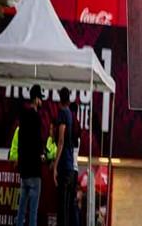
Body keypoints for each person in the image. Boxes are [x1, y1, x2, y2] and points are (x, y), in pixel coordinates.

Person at [15, 84, 44, 226]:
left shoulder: (23, 116)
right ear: (36, 99)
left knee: (21, 210)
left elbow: (20, 141)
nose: (42, 102)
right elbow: (38, 142)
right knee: (33, 212)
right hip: (34, 170)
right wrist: (42, 154)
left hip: (24, 171)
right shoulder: (37, 118)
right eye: (41, 99)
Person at [53, 87, 74, 226]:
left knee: (61, 207)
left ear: (60, 98)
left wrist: (55, 166)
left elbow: (60, 141)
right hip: (70, 164)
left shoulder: (62, 114)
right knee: (65, 207)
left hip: (63, 164)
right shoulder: (70, 114)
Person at [70, 102, 81, 226]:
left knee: (69, 203)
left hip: (69, 168)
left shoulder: (71, 125)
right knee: (73, 203)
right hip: (75, 168)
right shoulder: (77, 126)